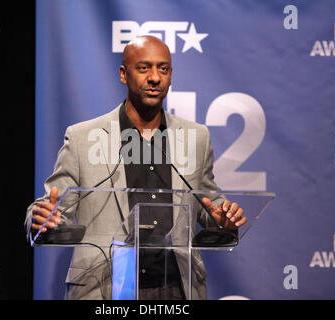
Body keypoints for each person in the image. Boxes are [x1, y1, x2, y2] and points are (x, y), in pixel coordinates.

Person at [25, 35, 247, 300]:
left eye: (163, 69)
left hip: (177, 288)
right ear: (123, 74)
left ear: (171, 76)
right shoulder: (83, 137)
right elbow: (50, 208)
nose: (155, 77)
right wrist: (41, 218)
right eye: (144, 68)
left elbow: (209, 203)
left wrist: (222, 218)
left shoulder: (196, 137)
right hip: (106, 287)